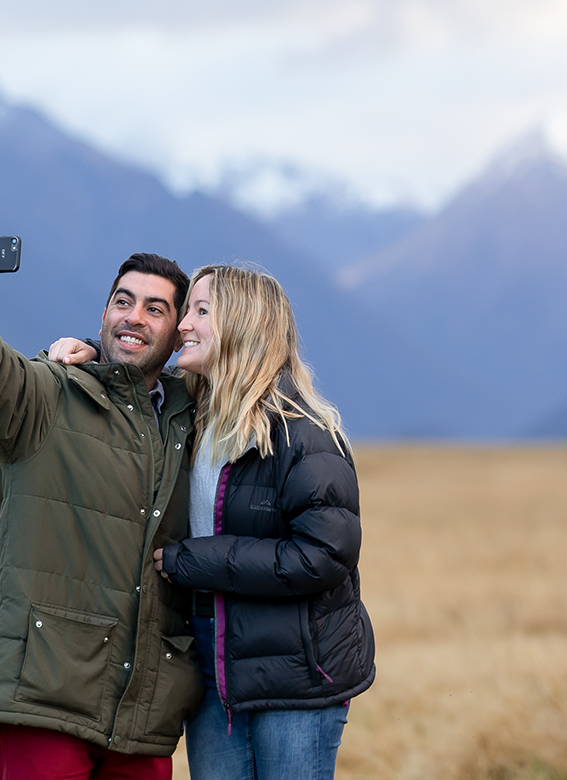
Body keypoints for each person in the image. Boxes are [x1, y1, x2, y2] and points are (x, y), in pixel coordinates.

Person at [50, 265, 375, 780]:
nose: (183, 324)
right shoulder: (194, 414)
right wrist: (93, 349)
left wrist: (195, 560)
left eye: (201, 312)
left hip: (296, 679)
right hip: (211, 673)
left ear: (242, 326)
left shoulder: (303, 433)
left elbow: (324, 556)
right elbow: (137, 371)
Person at [0, 236, 204, 780]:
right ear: (103, 315)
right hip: (46, 696)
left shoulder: (192, 421)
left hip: (144, 713)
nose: (134, 317)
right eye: (123, 301)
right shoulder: (47, 396)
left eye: (155, 309)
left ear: (177, 335)